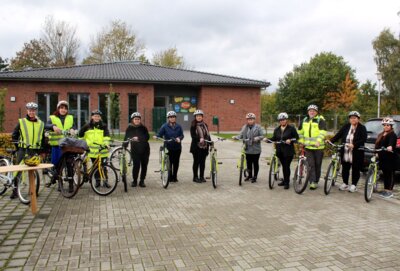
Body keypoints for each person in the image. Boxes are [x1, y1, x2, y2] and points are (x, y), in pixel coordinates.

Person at [10, 102, 46, 199]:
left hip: (34, 150)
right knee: (18, 170)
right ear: (27, 111)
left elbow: (42, 138)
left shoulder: (41, 124)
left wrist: (42, 151)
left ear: (36, 111)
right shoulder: (22, 122)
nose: (31, 112)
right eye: (30, 110)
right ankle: (15, 190)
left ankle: (33, 190)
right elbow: (14, 135)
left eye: (33, 110)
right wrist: (18, 148)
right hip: (23, 149)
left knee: (33, 171)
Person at [328, 111, 367, 192]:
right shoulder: (346, 126)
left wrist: (354, 145)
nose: (353, 119)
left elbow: (363, 139)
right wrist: (331, 140)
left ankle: (354, 185)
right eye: (351, 118)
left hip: (356, 152)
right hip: (345, 151)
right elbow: (338, 135)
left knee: (355, 169)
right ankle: (345, 183)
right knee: (345, 168)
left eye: (354, 118)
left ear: (358, 119)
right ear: (349, 119)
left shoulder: (362, 128)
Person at [44, 100, 76, 187]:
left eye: (65, 108)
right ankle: (58, 182)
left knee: (69, 164)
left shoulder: (70, 117)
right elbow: (45, 125)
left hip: (67, 145)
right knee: (57, 165)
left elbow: (74, 126)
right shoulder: (52, 117)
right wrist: (52, 126)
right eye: (61, 108)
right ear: (58, 109)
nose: (63, 110)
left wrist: (73, 129)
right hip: (56, 145)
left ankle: (70, 184)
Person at [78, 110, 111, 188]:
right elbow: (80, 136)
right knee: (95, 167)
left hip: (102, 151)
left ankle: (105, 181)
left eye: (98, 116)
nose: (97, 117)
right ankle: (97, 181)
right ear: (92, 117)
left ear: (100, 117)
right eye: (95, 116)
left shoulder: (104, 126)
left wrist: (106, 144)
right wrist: (84, 144)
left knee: (104, 166)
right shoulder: (87, 126)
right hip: (92, 152)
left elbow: (106, 136)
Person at [297, 104, 327, 190]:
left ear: (316, 112)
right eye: (310, 110)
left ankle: (316, 180)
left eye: (314, 111)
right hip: (308, 147)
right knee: (311, 165)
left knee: (318, 164)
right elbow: (300, 132)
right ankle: (312, 181)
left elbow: (323, 132)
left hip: (318, 147)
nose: (312, 112)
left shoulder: (320, 120)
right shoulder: (304, 120)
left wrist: (318, 141)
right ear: (308, 112)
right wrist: (302, 142)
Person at [268, 112, 299, 189]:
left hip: (288, 152)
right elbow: (274, 138)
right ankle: (285, 180)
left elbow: (296, 138)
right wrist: (268, 140)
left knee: (286, 166)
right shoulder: (277, 129)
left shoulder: (291, 128)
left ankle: (287, 183)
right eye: (280, 120)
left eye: (283, 119)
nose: (282, 121)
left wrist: (290, 140)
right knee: (284, 166)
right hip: (279, 151)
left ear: (286, 120)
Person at [233, 113, 265, 183]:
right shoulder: (244, 127)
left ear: (254, 120)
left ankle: (255, 176)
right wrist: (236, 137)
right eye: (249, 119)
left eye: (251, 119)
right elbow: (240, 135)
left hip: (256, 149)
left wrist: (257, 138)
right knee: (249, 163)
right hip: (247, 148)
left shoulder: (258, 127)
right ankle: (249, 175)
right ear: (247, 120)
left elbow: (262, 136)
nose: (250, 121)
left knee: (255, 163)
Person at [154, 111, 184, 182]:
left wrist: (179, 138)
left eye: (173, 117)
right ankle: (169, 177)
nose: (172, 118)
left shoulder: (179, 126)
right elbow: (160, 134)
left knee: (176, 163)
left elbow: (182, 135)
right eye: (170, 117)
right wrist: (157, 136)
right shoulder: (164, 126)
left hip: (177, 147)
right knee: (169, 162)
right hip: (168, 147)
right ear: (168, 118)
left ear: (175, 118)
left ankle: (175, 177)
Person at [124, 112, 150, 188]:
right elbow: (126, 138)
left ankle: (142, 180)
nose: (137, 120)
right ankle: (134, 180)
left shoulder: (143, 128)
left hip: (145, 149)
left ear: (140, 120)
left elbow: (147, 137)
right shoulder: (129, 128)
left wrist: (138, 138)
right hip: (135, 150)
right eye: (135, 119)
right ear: (132, 120)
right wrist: (124, 147)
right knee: (136, 165)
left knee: (144, 165)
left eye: (138, 119)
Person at [375, 117, 397, 198]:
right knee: (385, 175)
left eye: (388, 125)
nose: (386, 126)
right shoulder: (381, 134)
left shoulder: (392, 134)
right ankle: (385, 190)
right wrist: (376, 152)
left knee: (390, 175)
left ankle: (390, 191)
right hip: (382, 158)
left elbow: (391, 142)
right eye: (384, 125)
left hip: (390, 158)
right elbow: (377, 145)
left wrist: (390, 146)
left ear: (391, 126)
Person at [190, 110, 211, 183]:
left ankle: (201, 177)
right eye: (197, 116)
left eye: (200, 116)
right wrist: (200, 139)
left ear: (202, 117)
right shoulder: (193, 125)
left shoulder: (205, 125)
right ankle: (195, 177)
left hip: (204, 147)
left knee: (202, 163)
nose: (199, 117)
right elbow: (193, 136)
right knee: (196, 162)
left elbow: (208, 135)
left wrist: (211, 143)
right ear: (195, 117)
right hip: (196, 147)